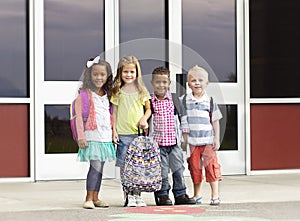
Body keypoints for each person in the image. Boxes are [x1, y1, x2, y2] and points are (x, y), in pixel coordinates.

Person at [149, 66, 195, 206]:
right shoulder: (150, 101)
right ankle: (162, 195)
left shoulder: (175, 99)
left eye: (164, 82)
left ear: (169, 83)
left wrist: (184, 137)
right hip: (158, 144)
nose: (161, 85)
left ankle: (180, 194)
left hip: (174, 142)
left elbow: (183, 118)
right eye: (158, 82)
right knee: (161, 171)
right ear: (152, 83)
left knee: (178, 169)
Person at [74, 56, 116, 209]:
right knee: (95, 167)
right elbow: (78, 117)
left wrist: (113, 133)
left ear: (107, 76)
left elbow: (110, 116)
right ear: (89, 76)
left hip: (104, 137)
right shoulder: (84, 95)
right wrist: (81, 136)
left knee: (100, 169)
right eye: (95, 74)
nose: (99, 78)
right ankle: (88, 198)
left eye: (102, 75)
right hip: (91, 137)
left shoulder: (107, 95)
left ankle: (96, 197)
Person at [110, 55, 151, 207]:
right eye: (125, 72)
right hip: (123, 135)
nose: (129, 75)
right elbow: (113, 113)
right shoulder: (117, 91)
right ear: (120, 73)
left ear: (136, 73)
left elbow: (148, 109)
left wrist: (144, 119)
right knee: (125, 166)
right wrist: (113, 131)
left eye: (132, 72)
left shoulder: (141, 90)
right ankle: (128, 195)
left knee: (138, 166)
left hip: (137, 135)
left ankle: (137, 195)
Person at [181, 65, 222, 206]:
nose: (197, 83)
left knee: (211, 167)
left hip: (208, 141)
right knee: (195, 168)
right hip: (193, 142)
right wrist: (184, 139)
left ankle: (215, 195)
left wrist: (216, 138)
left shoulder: (210, 100)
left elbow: (215, 121)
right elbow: (183, 120)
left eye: (200, 80)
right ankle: (197, 195)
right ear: (188, 84)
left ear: (206, 83)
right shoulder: (184, 100)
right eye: (193, 80)